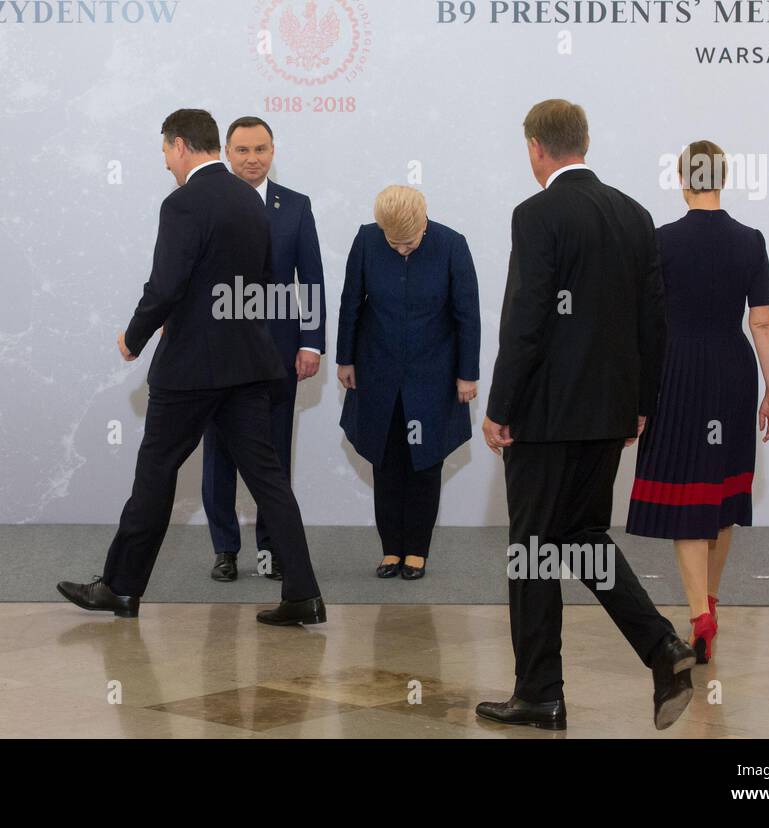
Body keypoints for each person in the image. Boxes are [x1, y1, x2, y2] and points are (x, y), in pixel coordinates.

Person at [56, 109, 325, 627]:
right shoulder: (250, 202)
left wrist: (133, 337)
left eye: (164, 151)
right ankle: (304, 594)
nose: (164, 162)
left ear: (180, 145)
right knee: (270, 481)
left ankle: (120, 588)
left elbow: (166, 283)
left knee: (154, 475)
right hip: (247, 364)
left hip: (192, 371)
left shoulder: (182, 204)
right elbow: (263, 284)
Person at [476, 99, 696, 732]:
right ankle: (662, 648)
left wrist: (501, 407)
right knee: (582, 540)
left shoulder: (536, 214)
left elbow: (527, 317)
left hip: (545, 417)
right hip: (609, 416)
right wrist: (640, 408)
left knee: (532, 554)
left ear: (535, 148)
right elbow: (655, 323)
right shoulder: (634, 214)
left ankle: (539, 693)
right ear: (585, 142)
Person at [626, 140, 769, 664]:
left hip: (679, 370)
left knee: (687, 497)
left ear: (681, 179)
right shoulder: (750, 240)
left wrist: (635, 389)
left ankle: (699, 614)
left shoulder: (662, 240)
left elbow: (645, 322)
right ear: (724, 177)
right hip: (734, 370)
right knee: (720, 495)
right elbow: (760, 320)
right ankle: (711, 601)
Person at [201, 116, 326, 583]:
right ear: (226, 153)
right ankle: (225, 549)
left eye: (261, 149)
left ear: (273, 152)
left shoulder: (295, 206)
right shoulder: (206, 203)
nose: (252, 158)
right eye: (242, 150)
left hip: (279, 349)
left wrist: (312, 341)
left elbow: (310, 277)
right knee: (219, 451)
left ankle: (272, 547)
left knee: (273, 450)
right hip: (219, 348)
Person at [335, 185, 481, 580]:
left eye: (410, 242)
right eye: (393, 242)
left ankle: (417, 551)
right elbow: (351, 300)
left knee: (425, 463)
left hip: (433, 374)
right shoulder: (366, 239)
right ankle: (390, 550)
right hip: (377, 370)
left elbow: (467, 313)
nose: (401, 250)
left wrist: (468, 373)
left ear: (424, 223)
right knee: (385, 462)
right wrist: (344, 357)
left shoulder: (452, 244)